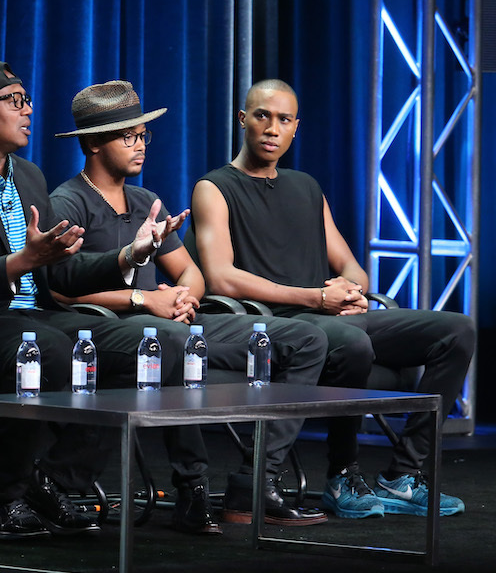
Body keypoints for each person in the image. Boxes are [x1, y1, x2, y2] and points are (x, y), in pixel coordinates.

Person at [0, 60, 220, 538]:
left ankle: (51, 477)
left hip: (35, 315)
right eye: (16, 101)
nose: (29, 111)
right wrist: (19, 263)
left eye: (28, 100)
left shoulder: (27, 175)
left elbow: (62, 270)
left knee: (161, 343)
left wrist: (132, 252)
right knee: (46, 347)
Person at [191, 79, 475, 517]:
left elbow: (351, 265)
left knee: (457, 330)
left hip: (331, 314)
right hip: (282, 325)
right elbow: (222, 279)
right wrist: (316, 298)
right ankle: (340, 475)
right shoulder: (214, 188)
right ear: (243, 119)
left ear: (295, 128)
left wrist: (353, 293)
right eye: (263, 115)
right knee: (350, 340)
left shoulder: (306, 186)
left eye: (284, 119)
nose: (272, 128)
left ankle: (404, 475)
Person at [50, 80, 330, 526]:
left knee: (306, 339)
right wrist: (143, 300)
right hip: (115, 329)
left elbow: (190, 271)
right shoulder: (68, 202)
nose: (140, 146)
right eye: (129, 137)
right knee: (174, 342)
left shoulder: (145, 200)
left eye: (144, 136)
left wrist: (182, 297)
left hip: (170, 323)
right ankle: (192, 486)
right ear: (93, 144)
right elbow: (60, 289)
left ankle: (256, 479)